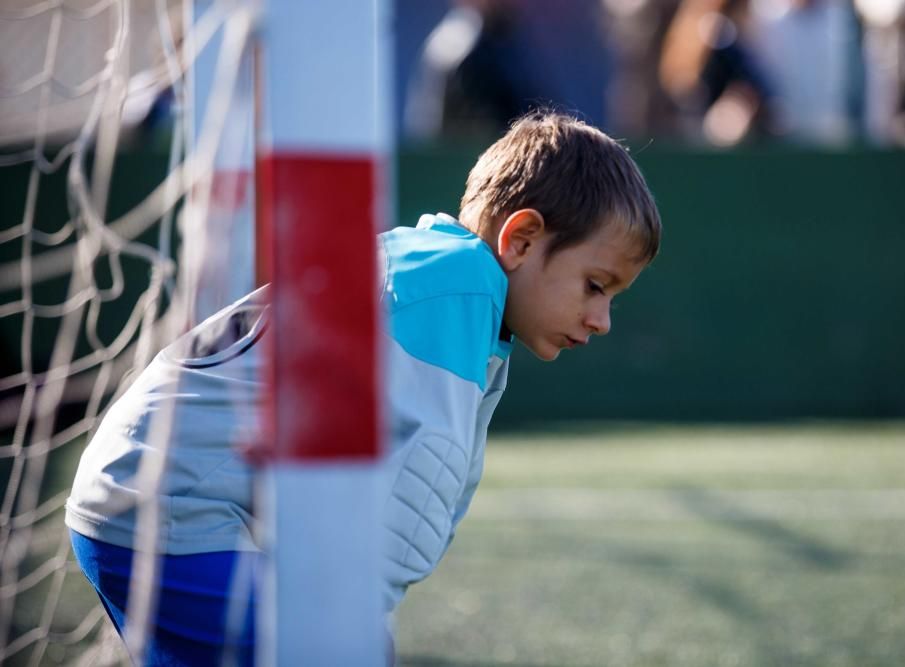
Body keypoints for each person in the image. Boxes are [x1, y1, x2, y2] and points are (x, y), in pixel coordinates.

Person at [64, 111, 663, 665]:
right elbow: (417, 494)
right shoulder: (459, 287)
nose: (602, 319)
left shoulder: (438, 271)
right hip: (174, 511)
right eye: (594, 285)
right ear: (521, 239)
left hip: (147, 497)